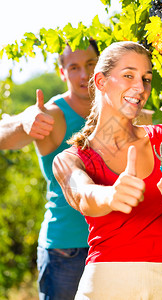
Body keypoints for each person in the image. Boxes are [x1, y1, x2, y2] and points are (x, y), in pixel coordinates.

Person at [53, 41, 162, 300]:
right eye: (128, 75)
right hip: (107, 288)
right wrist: (110, 196)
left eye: (146, 78)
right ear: (100, 81)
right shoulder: (70, 159)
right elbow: (82, 193)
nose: (140, 88)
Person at [0, 39, 99, 300]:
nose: (84, 74)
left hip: (110, 244)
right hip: (67, 249)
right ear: (62, 72)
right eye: (74, 67)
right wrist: (25, 121)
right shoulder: (54, 114)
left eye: (90, 64)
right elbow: (3, 135)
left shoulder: (113, 108)